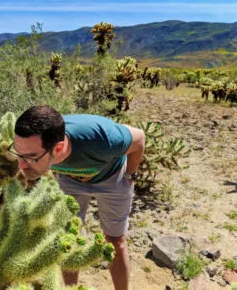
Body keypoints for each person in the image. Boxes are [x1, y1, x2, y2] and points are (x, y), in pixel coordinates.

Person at [10, 105, 145, 290]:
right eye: (18, 153)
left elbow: (139, 138)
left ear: (58, 149)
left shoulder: (103, 138)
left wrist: (129, 176)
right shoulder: (40, 141)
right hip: (69, 180)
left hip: (112, 179)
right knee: (68, 239)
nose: (21, 165)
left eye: (31, 157)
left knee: (114, 240)